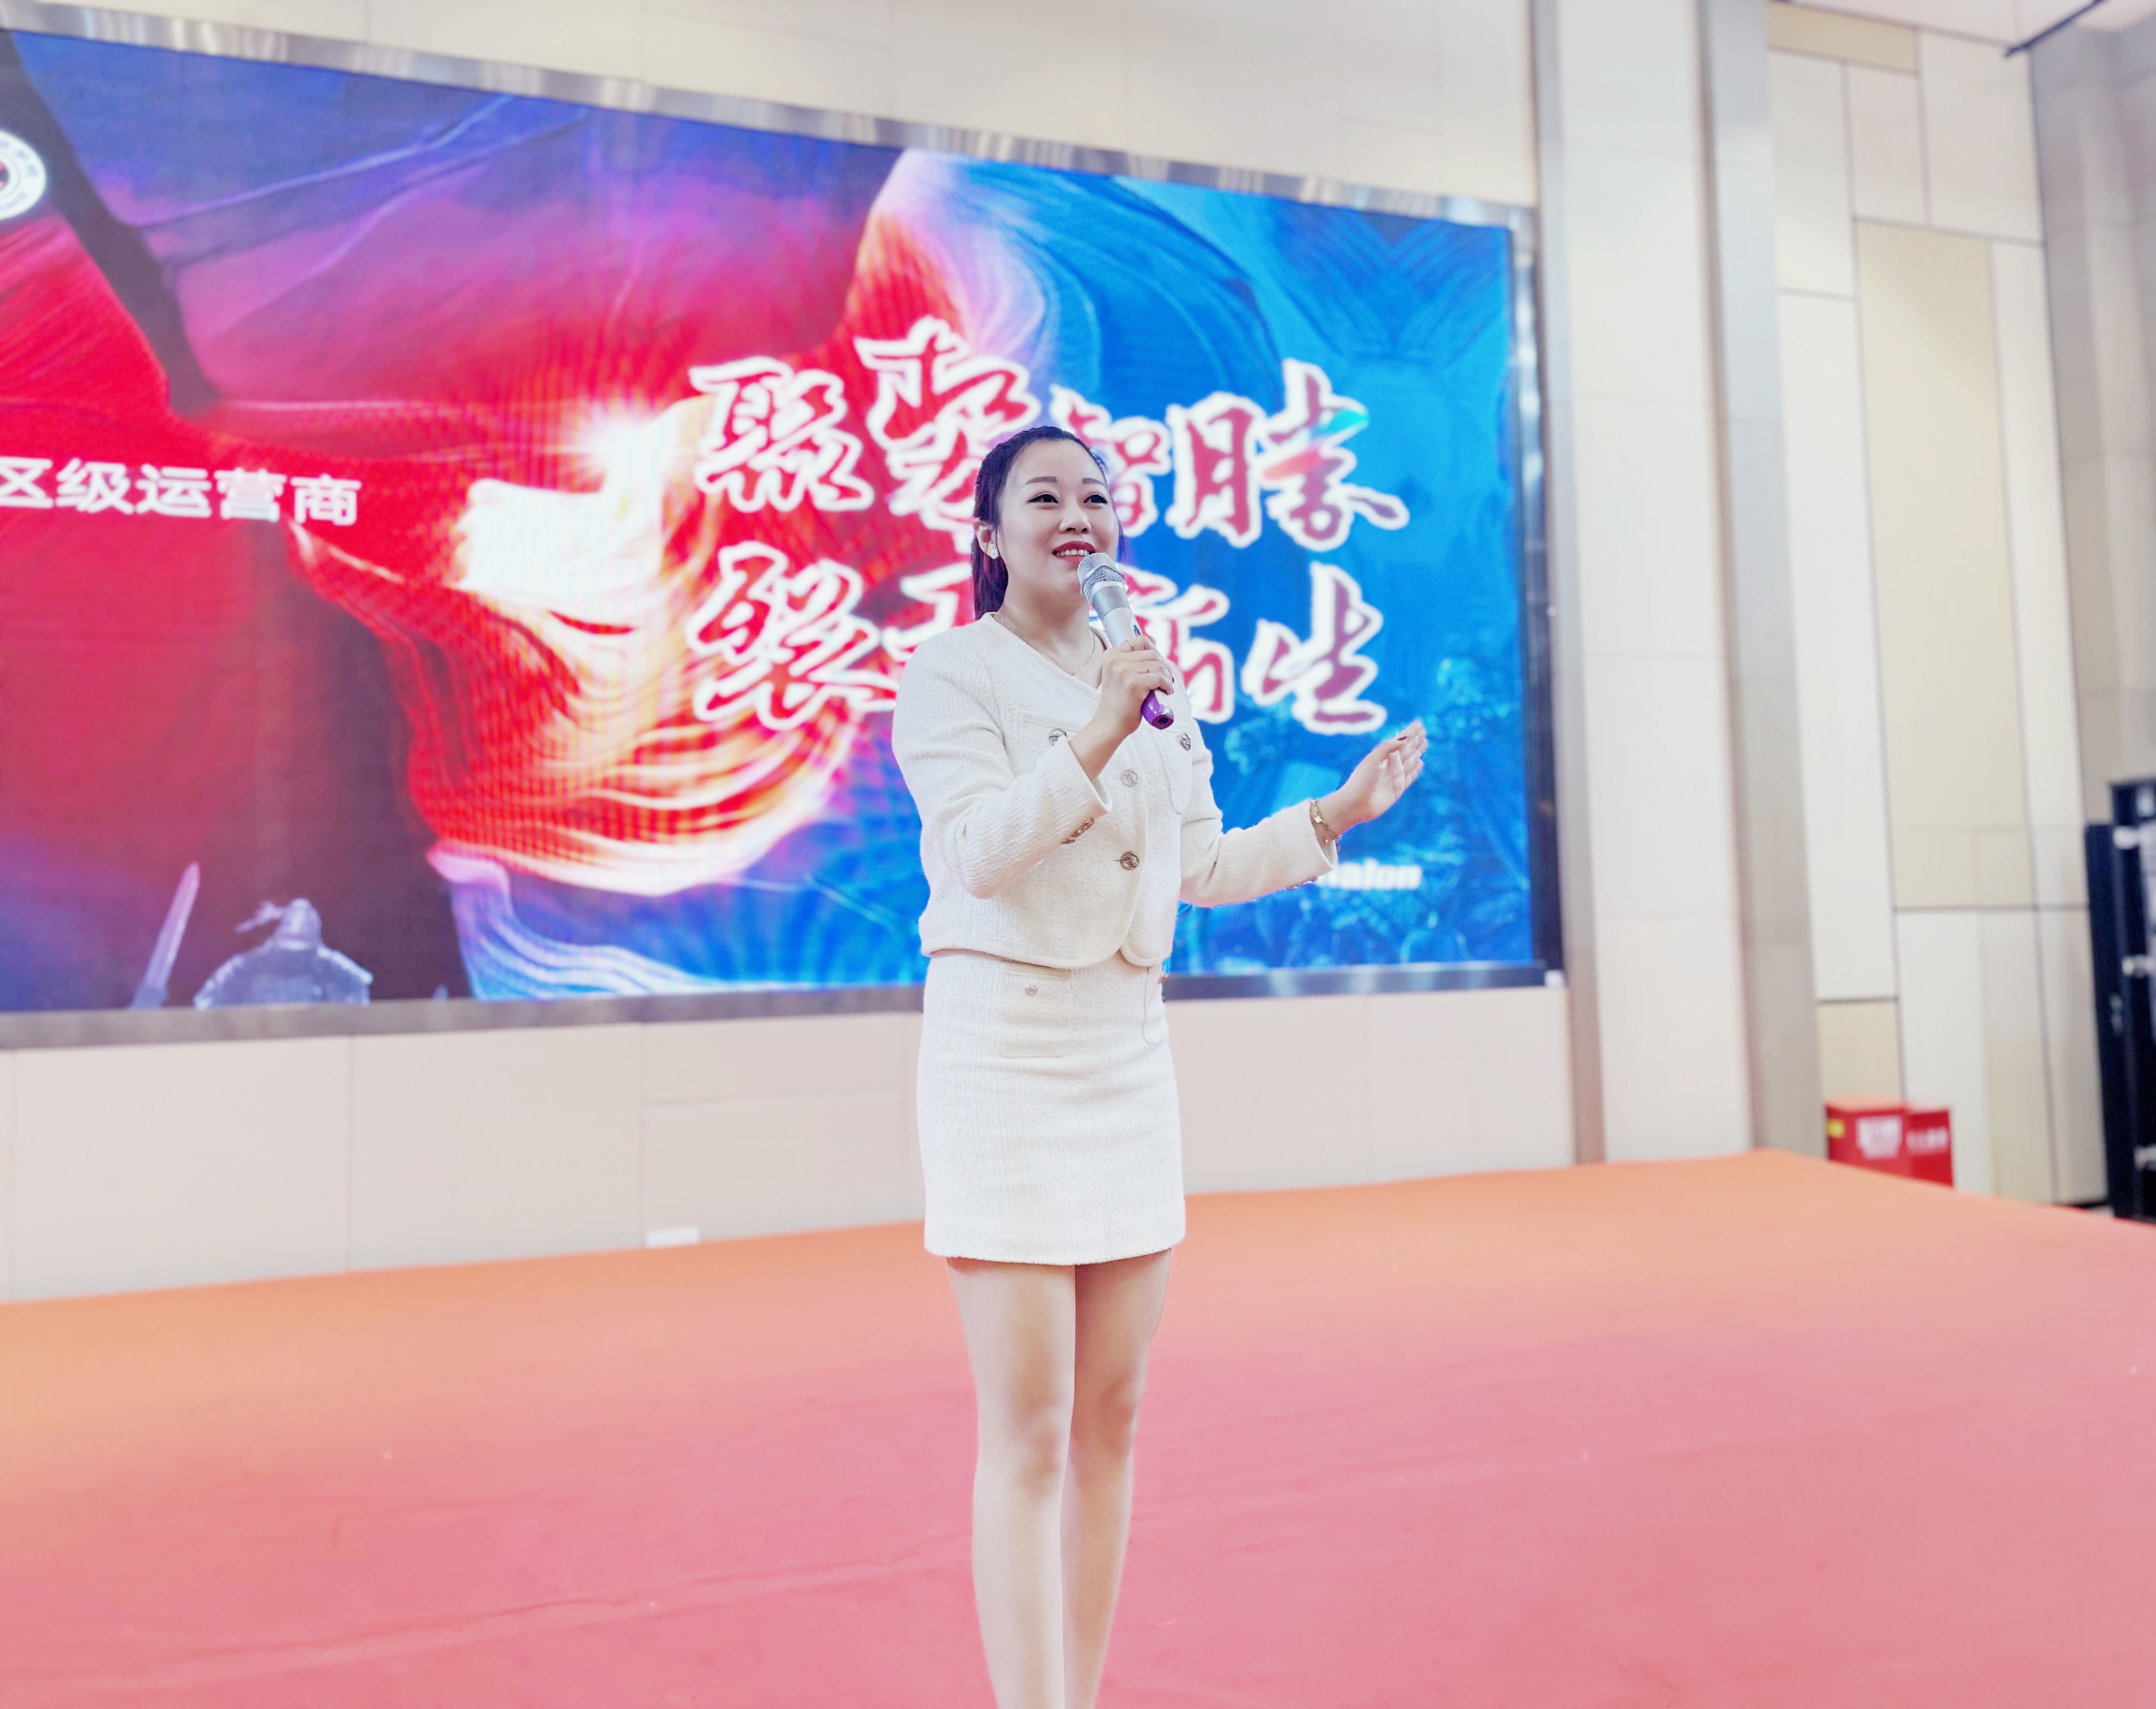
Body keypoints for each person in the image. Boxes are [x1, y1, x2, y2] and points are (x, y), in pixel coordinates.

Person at [891, 423, 1426, 1709]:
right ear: (989, 532)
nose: (1078, 516)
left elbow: (1204, 865)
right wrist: (1097, 726)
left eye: (1096, 495)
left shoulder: (1146, 676)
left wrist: (1335, 816)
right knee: (1029, 1431)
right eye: (1045, 497)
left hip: (1125, 1056)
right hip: (1005, 1057)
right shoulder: (953, 671)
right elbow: (977, 852)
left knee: (1111, 1420)